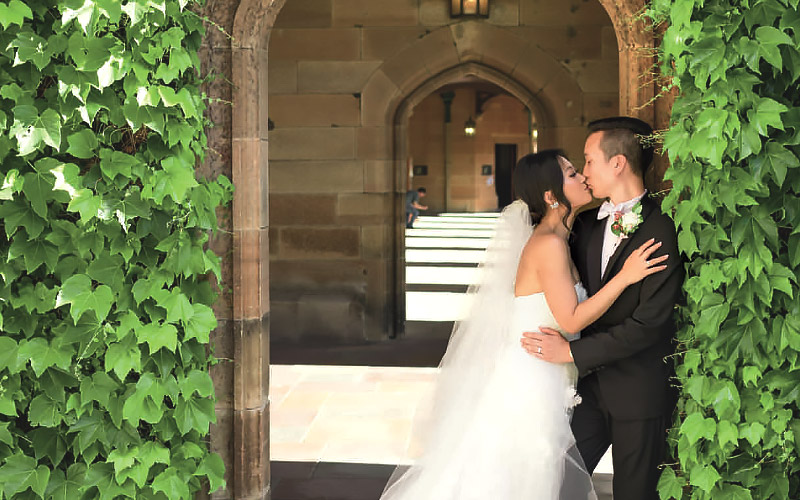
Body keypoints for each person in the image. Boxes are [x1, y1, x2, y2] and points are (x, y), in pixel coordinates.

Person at [379, 150, 668, 500]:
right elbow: (571, 318)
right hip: (534, 378)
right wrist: (625, 277)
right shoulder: (548, 244)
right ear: (550, 196)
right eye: (573, 173)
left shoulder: (565, 238)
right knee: (525, 475)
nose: (583, 177)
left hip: (556, 374)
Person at [522, 118, 684, 500]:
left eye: (588, 161)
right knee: (553, 486)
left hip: (639, 394)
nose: (584, 172)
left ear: (618, 164)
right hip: (588, 393)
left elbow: (649, 325)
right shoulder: (584, 229)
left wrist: (572, 352)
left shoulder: (661, 227)